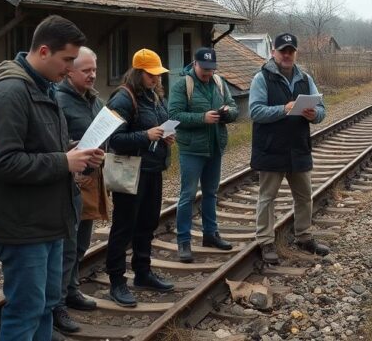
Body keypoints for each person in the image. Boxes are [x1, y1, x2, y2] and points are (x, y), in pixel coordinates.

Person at [0, 16, 105, 341]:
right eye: (67, 61)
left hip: (49, 220)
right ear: (45, 51)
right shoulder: (9, 93)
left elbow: (43, 148)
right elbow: (3, 163)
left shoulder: (43, 87)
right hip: (24, 227)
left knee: (45, 306)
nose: (69, 69)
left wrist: (77, 155)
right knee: (25, 311)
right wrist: (64, 161)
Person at [249, 33, 329, 265]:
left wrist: (315, 114)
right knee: (267, 198)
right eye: (282, 50)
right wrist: (283, 109)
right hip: (271, 148)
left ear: (295, 53)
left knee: (304, 196)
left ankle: (303, 236)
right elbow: (254, 112)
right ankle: (265, 241)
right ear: (273, 52)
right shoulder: (261, 78)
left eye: (290, 51)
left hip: (299, 148)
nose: (286, 55)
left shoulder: (305, 78)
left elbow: (322, 110)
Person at [105, 48, 176, 307]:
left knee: (147, 224)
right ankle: (116, 281)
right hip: (130, 173)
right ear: (138, 73)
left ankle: (143, 273)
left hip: (152, 170)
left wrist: (166, 136)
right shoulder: (123, 99)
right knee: (123, 227)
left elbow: (160, 125)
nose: (155, 79)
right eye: (150, 74)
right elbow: (113, 139)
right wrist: (147, 135)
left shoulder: (154, 97)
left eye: (157, 74)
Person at [52, 46, 109, 333]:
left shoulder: (93, 99)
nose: (92, 75)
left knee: (82, 241)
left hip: (91, 178)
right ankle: (58, 304)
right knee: (68, 245)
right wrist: (73, 150)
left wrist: (102, 148)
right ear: (70, 71)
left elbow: (104, 131)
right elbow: (55, 144)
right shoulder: (59, 100)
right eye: (86, 70)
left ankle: (71, 290)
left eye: (94, 70)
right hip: (71, 180)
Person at [168, 47, 238, 263]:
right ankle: (184, 241)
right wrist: (202, 118)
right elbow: (174, 115)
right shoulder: (182, 85)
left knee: (211, 192)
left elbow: (235, 107)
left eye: (211, 69)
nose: (208, 73)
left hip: (215, 146)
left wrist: (227, 114)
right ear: (195, 64)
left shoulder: (219, 82)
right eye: (204, 68)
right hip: (191, 149)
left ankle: (210, 234)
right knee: (187, 195)